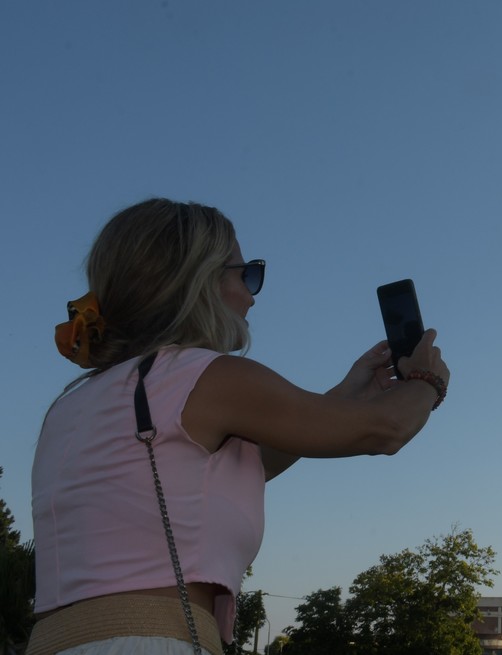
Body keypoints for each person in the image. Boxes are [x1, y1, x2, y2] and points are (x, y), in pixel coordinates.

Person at [28, 198, 450, 654]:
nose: (252, 295)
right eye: (246, 274)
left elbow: (229, 470)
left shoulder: (73, 404)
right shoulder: (204, 375)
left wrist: (343, 398)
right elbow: (385, 430)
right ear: (199, 281)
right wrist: (426, 380)